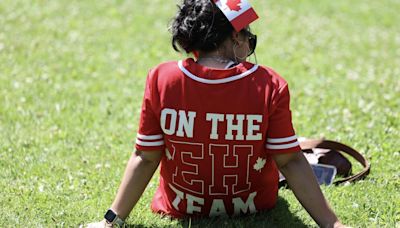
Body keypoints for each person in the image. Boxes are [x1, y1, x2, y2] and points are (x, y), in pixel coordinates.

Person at [88, 0, 346, 227]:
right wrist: (333, 224)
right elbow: (289, 161)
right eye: (250, 40)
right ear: (235, 37)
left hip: (181, 208)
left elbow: (146, 157)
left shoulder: (161, 79)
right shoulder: (270, 84)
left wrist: (109, 221)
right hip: (256, 205)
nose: (249, 48)